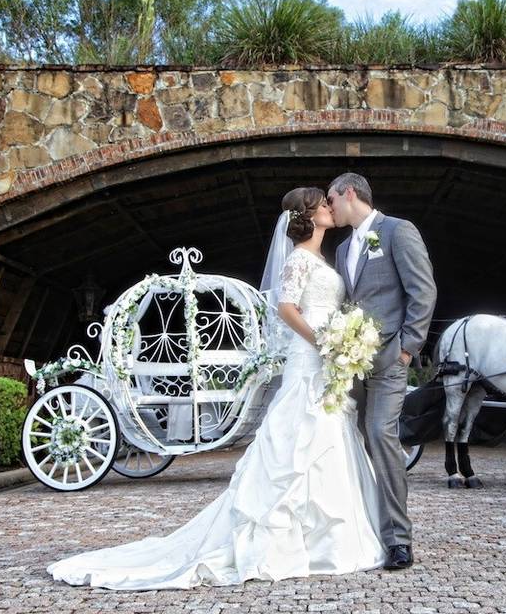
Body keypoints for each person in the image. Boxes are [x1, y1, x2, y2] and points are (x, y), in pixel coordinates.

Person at [47, 187, 386, 590]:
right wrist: (323, 342)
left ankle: (328, 540)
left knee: (328, 440)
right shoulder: (298, 260)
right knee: (298, 445)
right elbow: (286, 308)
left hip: (326, 363)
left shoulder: (322, 259)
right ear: (309, 216)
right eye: (323, 204)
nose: (331, 207)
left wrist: (341, 341)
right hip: (309, 357)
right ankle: (299, 541)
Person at [327, 172, 437, 570]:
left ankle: (398, 539)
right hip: (351, 363)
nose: (330, 207)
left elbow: (422, 291)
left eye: (332, 199)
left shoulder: (397, 231)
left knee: (380, 434)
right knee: (347, 437)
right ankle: (359, 527)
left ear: (350, 194)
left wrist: (408, 349)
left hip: (391, 358)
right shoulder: (341, 250)